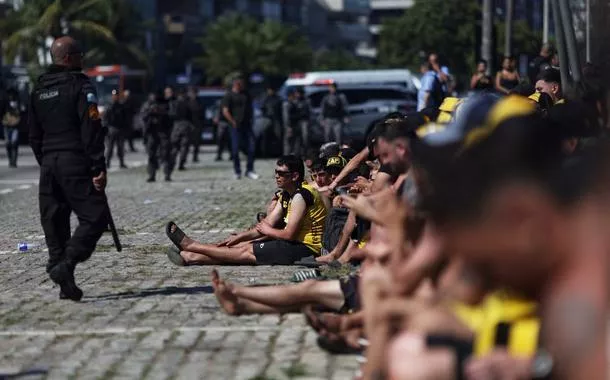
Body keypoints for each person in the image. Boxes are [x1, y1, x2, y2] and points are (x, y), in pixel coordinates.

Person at [410, 94, 608, 380]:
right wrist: (541, 366)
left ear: (521, 218)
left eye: (490, 266)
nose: (496, 283)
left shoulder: (582, 293)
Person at [28, 36, 108, 301]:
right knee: (95, 217)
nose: (82, 59)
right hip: (74, 161)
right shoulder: (81, 85)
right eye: (79, 54)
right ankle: (66, 265)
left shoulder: (39, 89)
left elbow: (33, 134)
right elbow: (91, 128)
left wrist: (47, 161)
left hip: (49, 163)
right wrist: (98, 166)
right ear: (68, 58)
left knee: (55, 222)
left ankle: (65, 282)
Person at [164, 155, 327, 266]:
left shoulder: (301, 196)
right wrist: (241, 236)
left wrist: (267, 230)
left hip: (306, 248)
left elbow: (288, 234)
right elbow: (268, 223)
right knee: (243, 244)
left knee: (246, 252)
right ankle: (190, 257)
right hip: (293, 242)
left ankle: (192, 246)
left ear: (295, 176)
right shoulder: (287, 194)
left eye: (282, 173)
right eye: (276, 172)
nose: (277, 176)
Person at [221, 76, 258, 179]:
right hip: (235, 125)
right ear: (234, 84)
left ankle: (249, 170)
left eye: (242, 83)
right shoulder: (229, 95)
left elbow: (251, 108)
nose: (241, 85)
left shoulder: (246, 94)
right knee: (235, 149)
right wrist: (232, 121)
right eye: (239, 84)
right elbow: (225, 110)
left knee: (251, 147)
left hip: (247, 124)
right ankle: (237, 171)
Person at [143, 92, 173, 182]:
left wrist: (161, 112)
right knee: (151, 154)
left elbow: (171, 116)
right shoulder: (147, 106)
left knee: (166, 154)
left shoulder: (166, 105)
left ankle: (167, 174)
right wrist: (150, 112)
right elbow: (143, 117)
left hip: (163, 132)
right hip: (152, 133)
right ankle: (152, 175)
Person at [283, 87, 311, 156]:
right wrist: (288, 126)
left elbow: (308, 113)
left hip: (301, 122)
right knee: (290, 141)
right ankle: (288, 156)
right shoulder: (289, 103)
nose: (297, 95)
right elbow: (287, 117)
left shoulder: (305, 101)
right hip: (293, 124)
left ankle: (299, 154)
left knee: (301, 139)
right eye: (296, 94)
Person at [103, 89, 127, 169]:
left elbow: (125, 118)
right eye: (114, 95)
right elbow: (105, 119)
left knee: (120, 147)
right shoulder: (109, 106)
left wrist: (124, 127)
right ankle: (107, 163)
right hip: (112, 128)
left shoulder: (121, 106)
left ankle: (121, 162)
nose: (115, 97)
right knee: (110, 147)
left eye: (116, 95)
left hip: (119, 128)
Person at [171, 91, 193, 171]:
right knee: (184, 146)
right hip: (186, 125)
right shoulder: (188, 104)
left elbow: (171, 115)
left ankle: (172, 162)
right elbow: (191, 115)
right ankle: (181, 164)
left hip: (176, 125)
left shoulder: (174, 104)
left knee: (175, 146)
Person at [260, 85, 283, 157]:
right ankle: (264, 153)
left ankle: (279, 152)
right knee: (265, 135)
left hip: (276, 119)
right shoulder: (265, 99)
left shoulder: (278, 99)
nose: (270, 91)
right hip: (267, 119)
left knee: (278, 135)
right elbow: (262, 108)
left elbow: (281, 110)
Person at [2, 88, 23, 168]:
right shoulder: (5, 102)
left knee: (14, 143)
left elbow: (22, 112)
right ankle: (10, 160)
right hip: (6, 124)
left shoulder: (18, 102)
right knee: (8, 143)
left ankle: (14, 161)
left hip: (16, 125)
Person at [186, 87, 202, 163]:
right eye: (191, 93)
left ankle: (195, 157)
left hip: (197, 124)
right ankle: (184, 157)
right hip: (188, 124)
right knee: (186, 142)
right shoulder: (186, 102)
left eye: (194, 93)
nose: (193, 95)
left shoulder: (199, 102)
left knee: (196, 142)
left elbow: (202, 113)